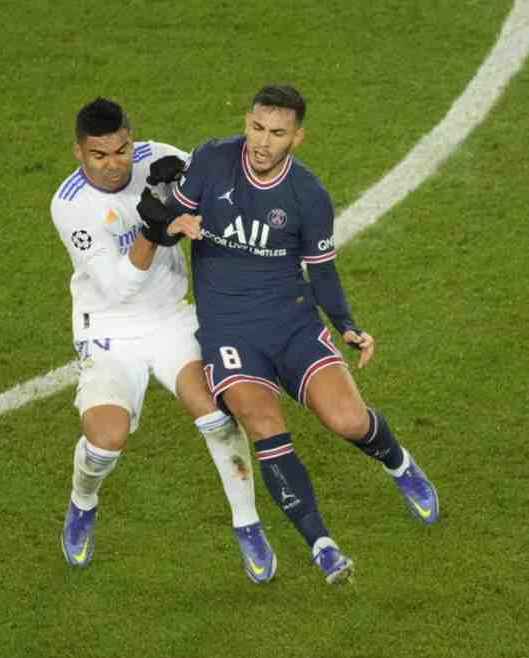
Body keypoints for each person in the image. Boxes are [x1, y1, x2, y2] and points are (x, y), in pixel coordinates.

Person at [136, 84, 440, 585]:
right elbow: (165, 218)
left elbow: (322, 273)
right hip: (229, 330)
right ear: (247, 122)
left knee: (348, 420)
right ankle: (322, 546)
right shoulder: (212, 161)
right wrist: (171, 222)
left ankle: (399, 463)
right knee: (263, 425)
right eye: (256, 127)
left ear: (297, 138)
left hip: (291, 322)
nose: (261, 142)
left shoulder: (308, 196)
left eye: (276, 133)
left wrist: (347, 325)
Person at [49, 97, 277, 583]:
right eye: (100, 155)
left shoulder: (159, 158)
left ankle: (248, 524)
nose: (114, 165)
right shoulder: (70, 206)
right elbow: (117, 287)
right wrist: (155, 226)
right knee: (105, 443)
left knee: (217, 414)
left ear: (131, 140)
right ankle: (83, 501)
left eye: (122, 150)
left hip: (171, 317)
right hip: (109, 327)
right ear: (79, 154)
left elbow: (221, 192)